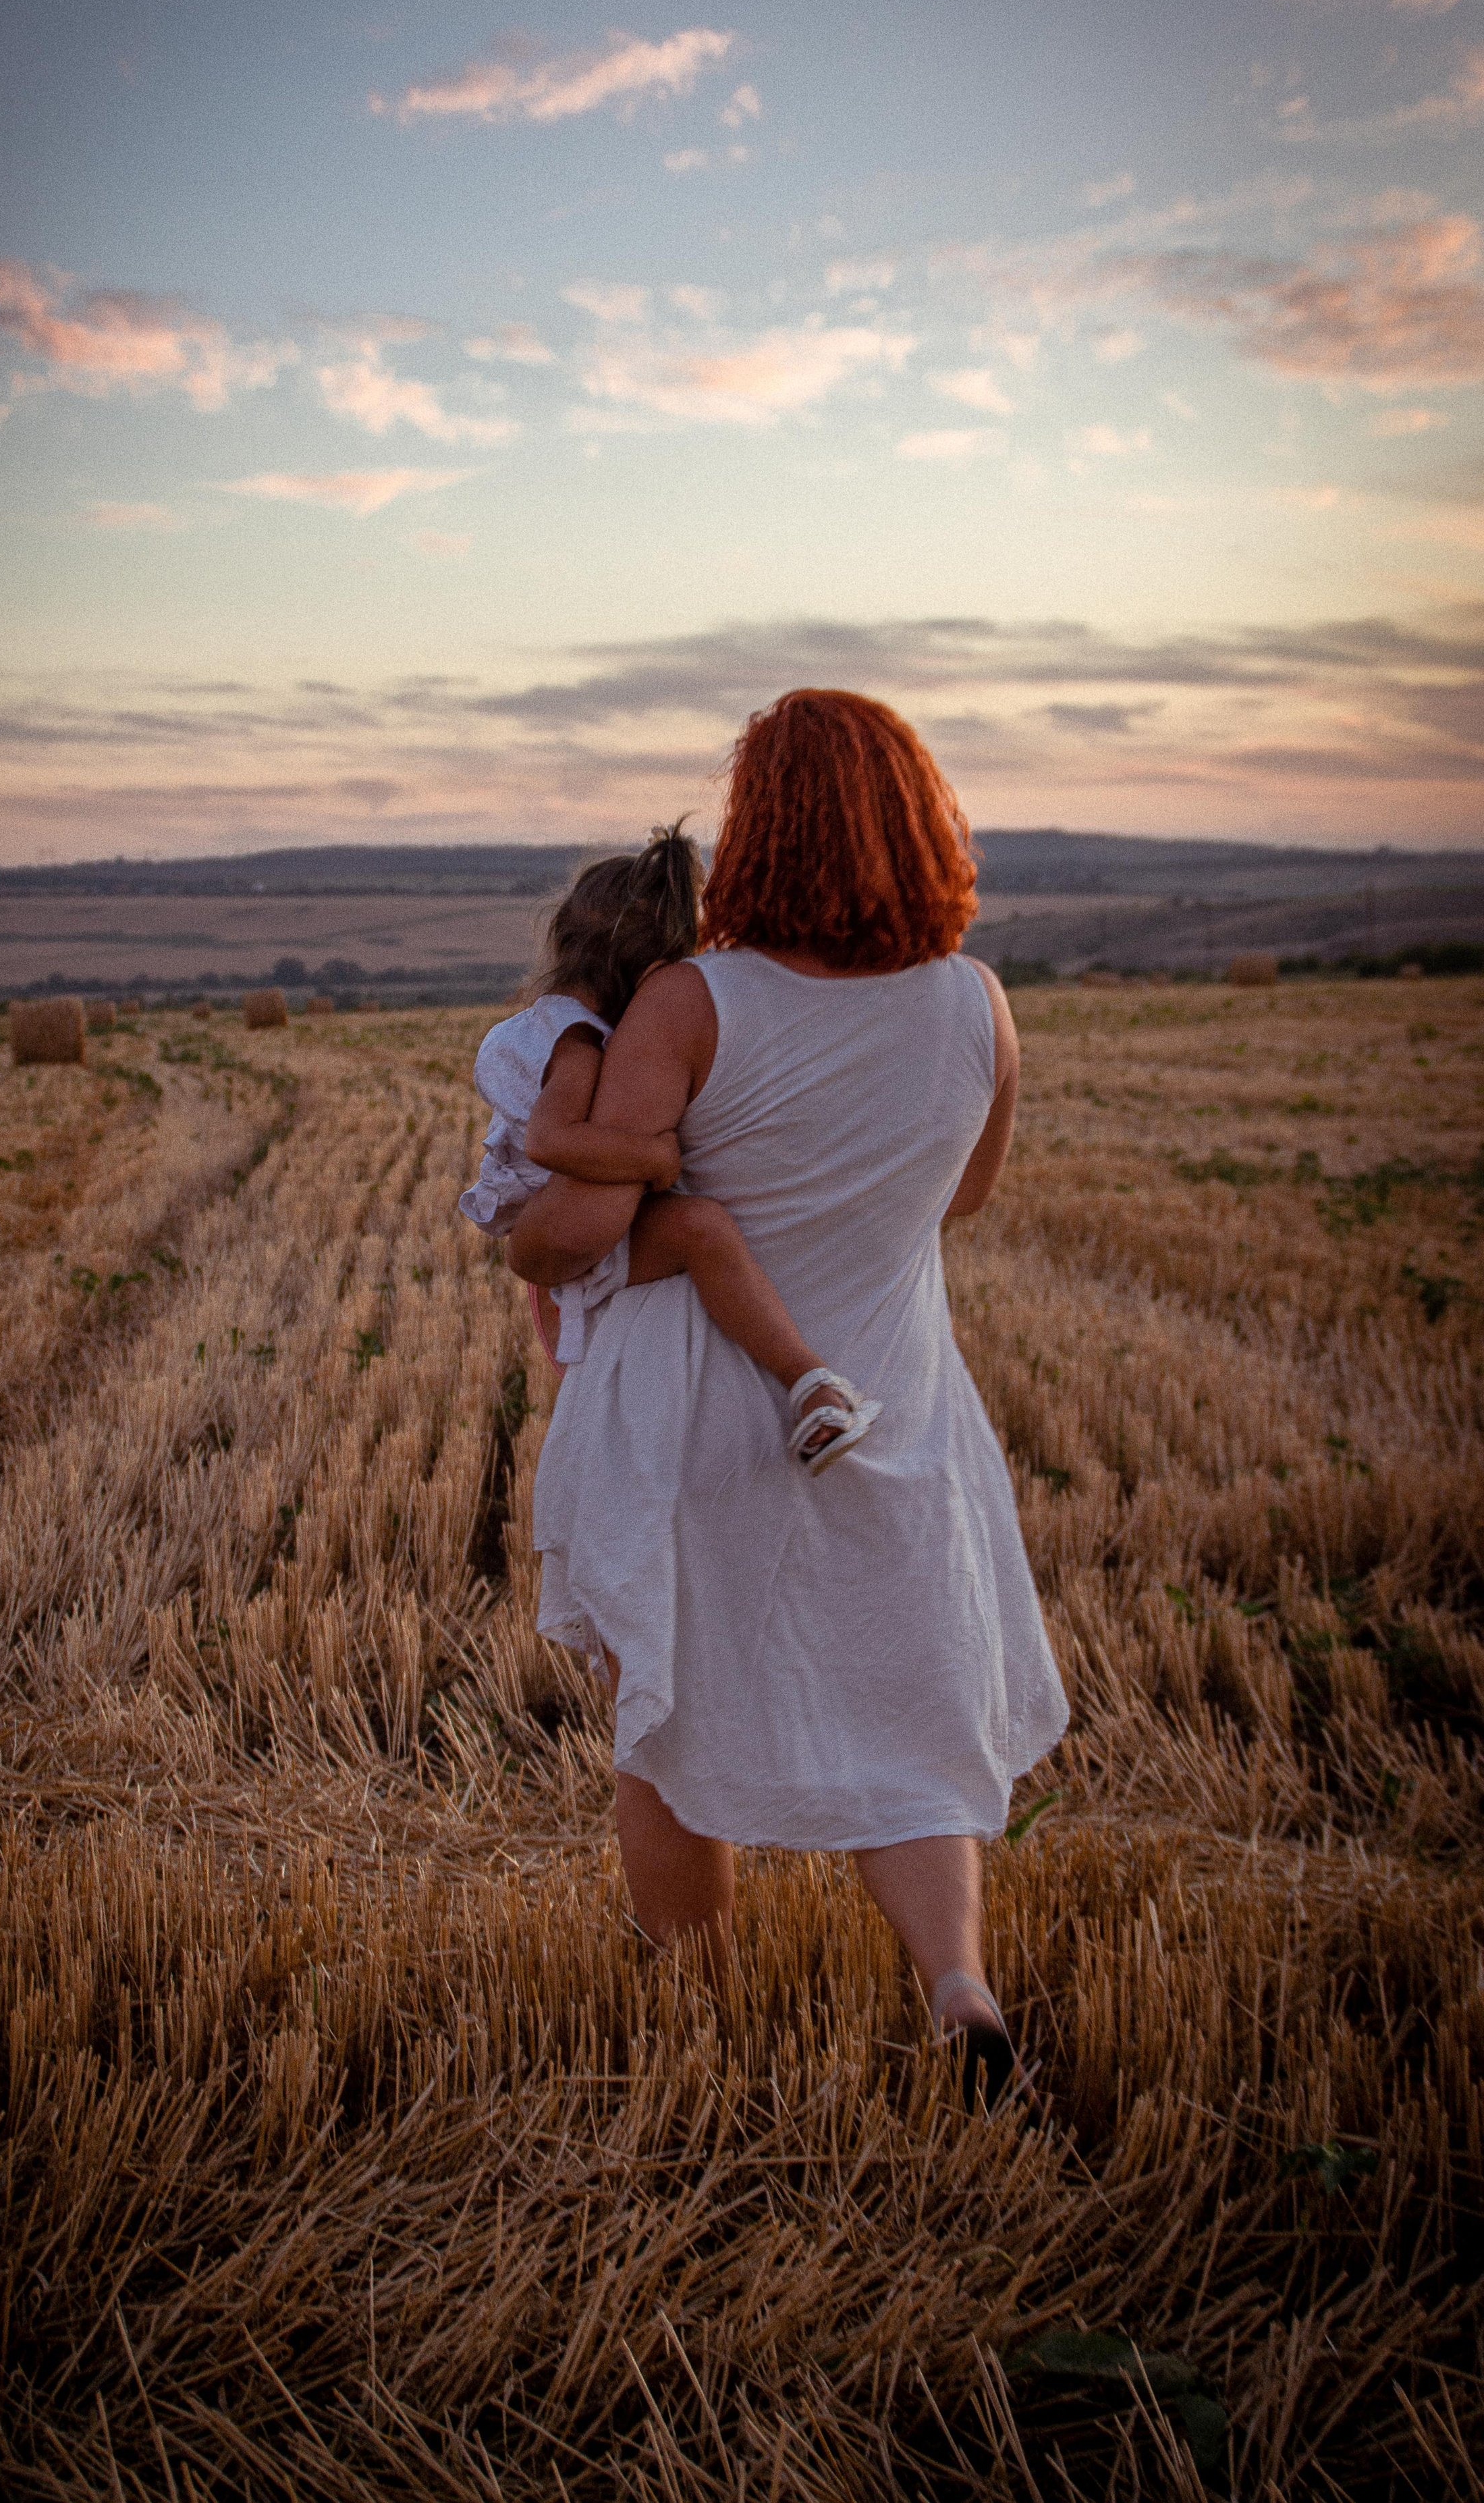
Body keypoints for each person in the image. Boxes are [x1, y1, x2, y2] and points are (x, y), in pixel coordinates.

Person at [506, 692, 1070, 2112]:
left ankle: (697, 2019)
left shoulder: (688, 1002)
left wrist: (518, 1235)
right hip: (890, 1404)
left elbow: (577, 1220)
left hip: (692, 1411)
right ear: (919, 820)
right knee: (910, 1705)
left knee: (670, 1719)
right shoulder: (973, 1003)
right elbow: (966, 1198)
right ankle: (955, 1985)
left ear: (759, 824)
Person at [460, 826, 880, 1471]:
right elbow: (552, 1140)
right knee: (704, 1230)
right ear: (650, 970)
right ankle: (809, 1380)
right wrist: (656, 1159)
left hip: (558, 1226)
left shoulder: (545, 1021)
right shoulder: (574, 1042)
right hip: (570, 1227)